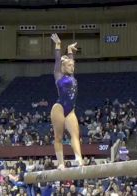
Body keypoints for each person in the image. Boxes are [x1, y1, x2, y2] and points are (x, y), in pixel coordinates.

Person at [50, 33, 83, 169]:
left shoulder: (72, 75)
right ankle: (61, 163)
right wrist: (58, 45)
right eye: (69, 65)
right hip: (59, 108)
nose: (72, 66)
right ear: (63, 67)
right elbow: (58, 61)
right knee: (59, 137)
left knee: (75, 135)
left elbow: (71, 60)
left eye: (73, 65)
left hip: (70, 110)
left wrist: (70, 50)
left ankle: (79, 159)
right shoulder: (58, 75)